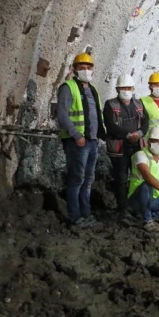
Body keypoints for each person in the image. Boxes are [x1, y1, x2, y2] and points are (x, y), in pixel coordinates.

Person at [57, 53, 106, 227]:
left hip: (92, 141)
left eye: (89, 67)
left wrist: (98, 135)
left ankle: (86, 213)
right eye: (82, 68)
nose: (86, 70)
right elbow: (62, 114)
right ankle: (75, 217)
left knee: (88, 180)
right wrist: (76, 135)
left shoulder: (93, 89)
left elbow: (95, 115)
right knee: (76, 179)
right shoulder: (68, 87)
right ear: (75, 69)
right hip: (77, 142)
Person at [103, 74, 148, 220]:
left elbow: (146, 122)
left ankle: (134, 205)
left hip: (136, 147)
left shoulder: (139, 104)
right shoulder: (110, 105)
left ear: (133, 89)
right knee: (121, 178)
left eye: (128, 88)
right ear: (117, 89)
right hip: (119, 148)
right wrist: (129, 135)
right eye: (123, 88)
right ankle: (123, 209)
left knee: (136, 177)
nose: (126, 91)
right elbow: (110, 125)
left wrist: (140, 133)